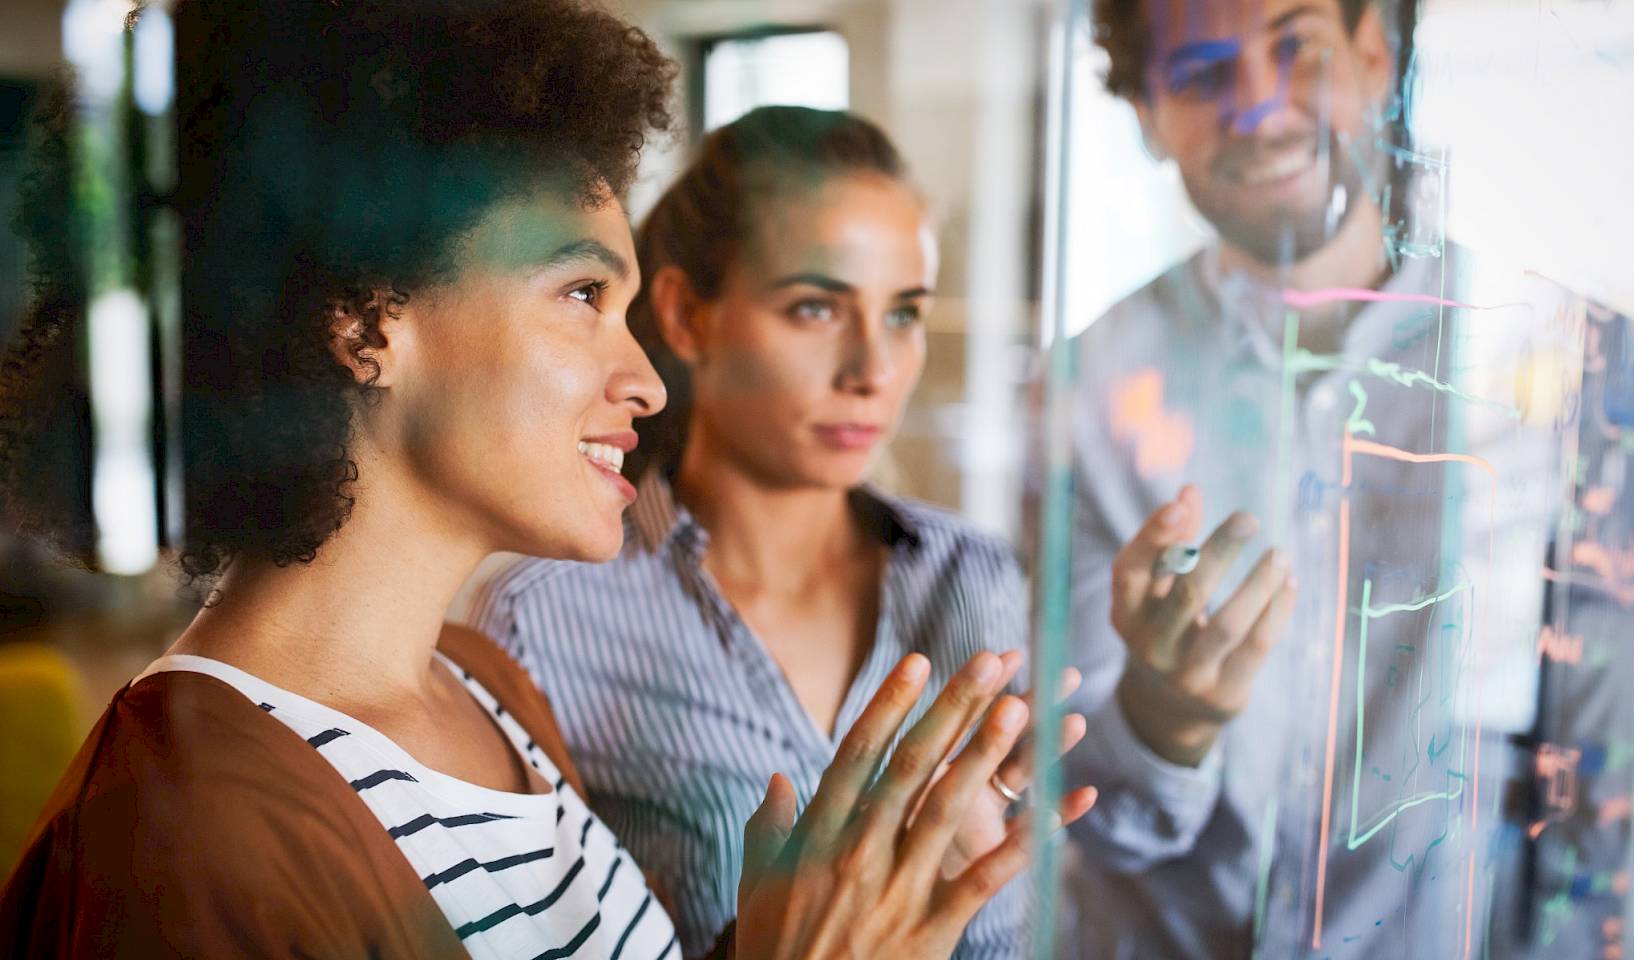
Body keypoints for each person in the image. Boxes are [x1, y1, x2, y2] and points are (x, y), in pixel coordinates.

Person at [0, 4, 1083, 957]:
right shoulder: (181, 834)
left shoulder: (484, 687)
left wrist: (822, 918)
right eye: (578, 293)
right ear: (367, 315)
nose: (646, 383)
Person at [1061, 0, 1634, 957]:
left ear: (1375, 55)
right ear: (1146, 115)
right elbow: (1088, 816)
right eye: (1204, 73)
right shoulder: (1087, 390)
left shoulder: (1562, 365)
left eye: (1296, 48)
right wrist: (1162, 723)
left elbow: (1598, 786)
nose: (1258, 110)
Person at [470, 105, 1097, 959]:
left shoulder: (978, 579)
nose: (873, 370)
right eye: (815, 309)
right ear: (688, 315)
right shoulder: (541, 618)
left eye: (905, 314)